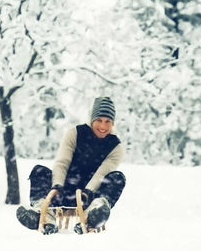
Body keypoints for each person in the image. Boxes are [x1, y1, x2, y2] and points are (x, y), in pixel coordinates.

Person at [16, 96, 126, 234]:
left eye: (108, 121)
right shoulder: (75, 133)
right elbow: (62, 162)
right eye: (99, 120)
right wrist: (56, 187)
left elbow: (102, 174)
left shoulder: (116, 147)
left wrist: (88, 192)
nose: (103, 126)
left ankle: (93, 215)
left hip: (90, 197)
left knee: (117, 177)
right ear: (92, 120)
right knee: (39, 171)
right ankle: (43, 215)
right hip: (63, 191)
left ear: (113, 123)